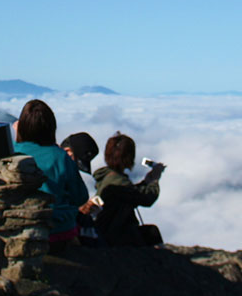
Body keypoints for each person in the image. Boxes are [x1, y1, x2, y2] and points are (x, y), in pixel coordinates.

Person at [13, 99, 89, 251]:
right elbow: (80, 197)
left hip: (20, 228)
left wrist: (17, 137)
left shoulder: (11, 153)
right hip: (59, 231)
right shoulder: (60, 157)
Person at [86, 132, 164, 247]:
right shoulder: (118, 181)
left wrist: (146, 182)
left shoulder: (107, 176)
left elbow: (129, 192)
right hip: (117, 234)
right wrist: (154, 180)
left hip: (106, 230)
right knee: (151, 233)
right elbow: (146, 199)